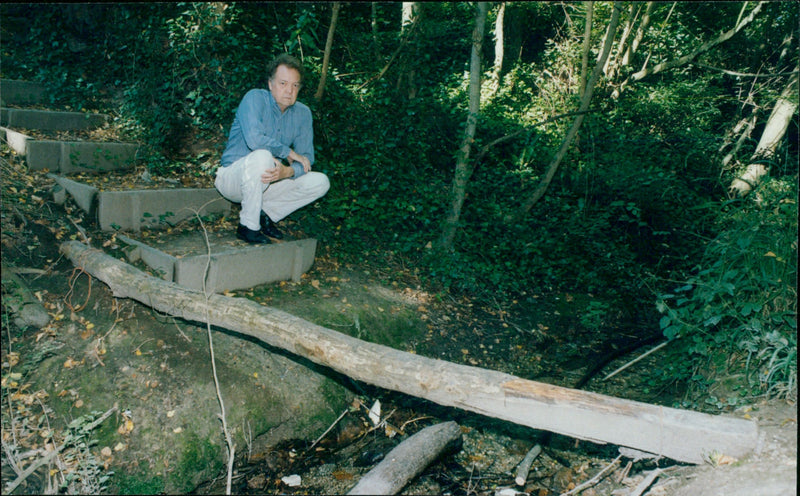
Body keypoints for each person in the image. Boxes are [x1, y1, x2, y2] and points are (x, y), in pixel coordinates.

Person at [215, 53, 330, 244]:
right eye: (283, 83)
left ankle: (263, 213)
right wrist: (289, 153)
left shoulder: (303, 113)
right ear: (270, 84)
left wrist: (288, 171)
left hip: (267, 182)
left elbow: (307, 157)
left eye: (295, 85)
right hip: (232, 179)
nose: (289, 91)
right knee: (262, 156)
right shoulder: (254, 99)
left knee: (320, 181)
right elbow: (254, 140)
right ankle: (248, 227)